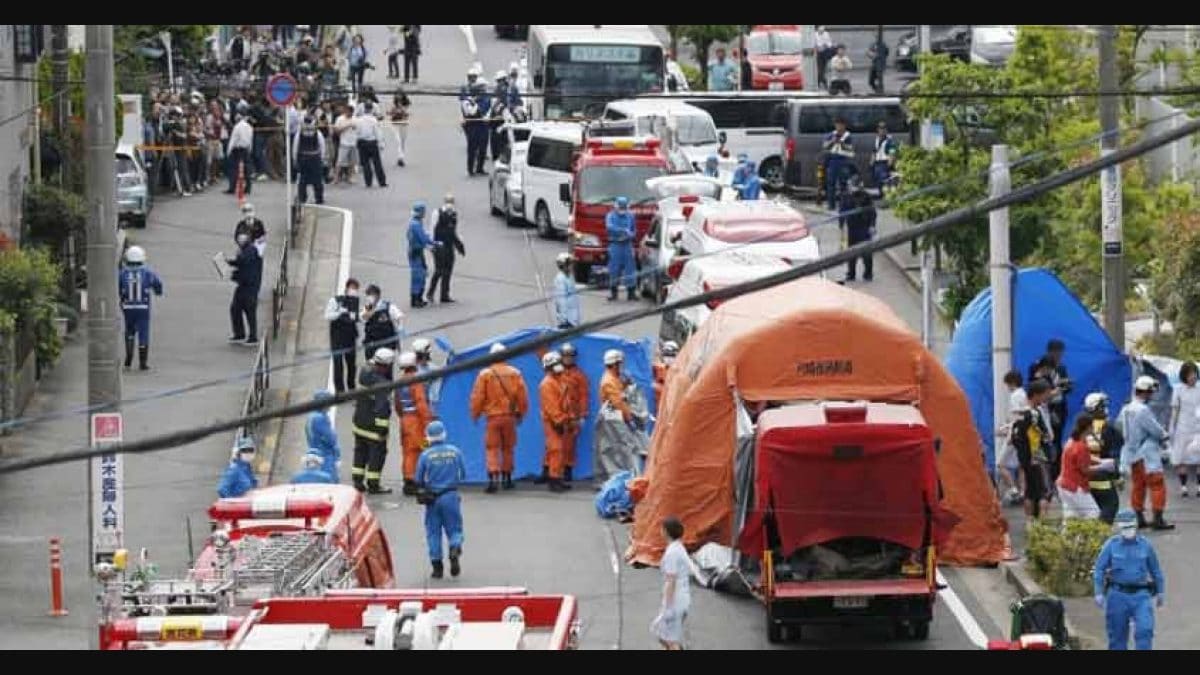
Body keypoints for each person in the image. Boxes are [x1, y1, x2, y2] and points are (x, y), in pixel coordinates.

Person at [1093, 509, 1166, 650]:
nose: (1128, 530)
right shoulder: (1111, 545)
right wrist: (1099, 592)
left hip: (1141, 595)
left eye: (1131, 526)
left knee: (1145, 630)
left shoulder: (1146, 545)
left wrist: (1161, 591)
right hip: (1117, 595)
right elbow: (1099, 569)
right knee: (1117, 637)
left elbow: (1155, 570)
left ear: (1136, 525)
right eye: (1125, 527)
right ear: (1119, 527)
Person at [469, 343, 529, 493]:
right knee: (508, 448)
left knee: (492, 448)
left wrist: (475, 414)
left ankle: (493, 479)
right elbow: (523, 397)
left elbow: (478, 397)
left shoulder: (485, 374)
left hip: (492, 418)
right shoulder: (515, 373)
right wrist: (521, 413)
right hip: (509, 417)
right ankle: (507, 478)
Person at [1118, 376, 1175, 530]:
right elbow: (1155, 429)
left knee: (1139, 486)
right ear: (1145, 392)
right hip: (1147, 454)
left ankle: (1139, 518)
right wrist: (1164, 435)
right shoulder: (1143, 410)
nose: (1151, 395)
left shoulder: (1126, 409)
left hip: (1132, 454)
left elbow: (1120, 428)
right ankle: (1158, 519)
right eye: (1150, 392)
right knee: (1157, 485)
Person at [414, 420, 466, 579]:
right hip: (451, 496)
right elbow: (463, 474)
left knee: (433, 532)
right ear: (444, 434)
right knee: (455, 528)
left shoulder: (425, 455)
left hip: (433, 499)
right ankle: (454, 548)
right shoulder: (455, 452)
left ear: (428, 437)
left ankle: (437, 566)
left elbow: (418, 479)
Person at [351, 347, 395, 494]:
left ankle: (357, 481)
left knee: (360, 452)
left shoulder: (364, 373)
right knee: (377, 454)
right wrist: (383, 429)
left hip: (359, 422)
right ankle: (373, 483)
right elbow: (382, 409)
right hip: (373, 428)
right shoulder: (382, 384)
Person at [1011, 378, 1054, 520]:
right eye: (1046, 393)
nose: (1048, 396)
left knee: (1030, 492)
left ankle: (1030, 524)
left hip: (1025, 460)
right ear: (1036, 394)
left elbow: (1015, 437)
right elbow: (1044, 436)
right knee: (1045, 492)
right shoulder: (1034, 414)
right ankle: (1041, 527)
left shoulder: (1021, 414)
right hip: (1038, 458)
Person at [118, 246, 164, 371]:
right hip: (143, 307)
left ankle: (128, 359)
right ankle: (143, 362)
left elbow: (118, 288)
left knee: (129, 330)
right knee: (143, 332)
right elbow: (158, 284)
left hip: (127, 306)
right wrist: (158, 291)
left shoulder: (122, 273)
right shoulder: (147, 272)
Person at [395, 350, 434, 496]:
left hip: (405, 420)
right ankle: (415, 480)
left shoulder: (399, 382)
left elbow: (397, 404)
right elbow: (421, 403)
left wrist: (403, 417)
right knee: (419, 449)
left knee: (407, 451)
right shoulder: (416, 382)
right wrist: (428, 422)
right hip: (416, 421)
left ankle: (407, 479)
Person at [1058, 414, 1110, 519]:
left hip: (1063, 484)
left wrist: (1100, 462)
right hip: (1075, 486)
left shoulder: (1072, 441)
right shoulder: (1081, 446)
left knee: (1071, 516)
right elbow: (1085, 470)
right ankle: (1086, 535)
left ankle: (1072, 535)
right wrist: (1103, 468)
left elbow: (1083, 459)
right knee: (1093, 513)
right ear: (1088, 427)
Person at [651, 516, 692, 650]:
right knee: (665, 636)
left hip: (675, 600)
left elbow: (671, 581)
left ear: (666, 531)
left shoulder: (672, 553)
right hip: (682, 598)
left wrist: (668, 607)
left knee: (669, 639)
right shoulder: (679, 548)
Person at [1086, 392, 1123, 524]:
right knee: (1111, 505)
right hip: (1103, 476)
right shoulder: (1109, 428)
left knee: (1094, 510)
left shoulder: (1083, 426)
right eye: (1103, 406)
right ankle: (1100, 536)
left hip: (1086, 475)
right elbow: (1113, 455)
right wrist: (1117, 477)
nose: (1106, 409)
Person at [537, 351, 572, 493]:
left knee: (556, 450)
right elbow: (551, 406)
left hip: (559, 420)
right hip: (553, 422)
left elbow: (565, 401)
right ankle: (554, 480)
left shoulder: (559, 380)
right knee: (556, 450)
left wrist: (568, 417)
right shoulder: (547, 384)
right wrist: (560, 421)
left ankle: (556, 477)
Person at [1168, 361, 1200, 496]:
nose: (1192, 377)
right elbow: (1175, 410)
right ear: (1184, 376)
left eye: (1194, 375)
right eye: (1190, 375)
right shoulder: (1178, 389)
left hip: (1198, 427)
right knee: (1182, 458)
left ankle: (1199, 487)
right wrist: (1171, 428)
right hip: (1182, 427)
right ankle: (1183, 487)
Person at [324, 277, 361, 393]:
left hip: (350, 337)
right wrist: (339, 312)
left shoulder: (355, 301)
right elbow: (327, 316)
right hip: (337, 338)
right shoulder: (335, 301)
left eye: (356, 289)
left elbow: (357, 318)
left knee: (351, 365)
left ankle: (351, 387)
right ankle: (340, 391)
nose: (354, 291)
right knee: (338, 365)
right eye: (352, 288)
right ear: (346, 288)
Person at [225, 233, 262, 346]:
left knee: (249, 311)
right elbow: (241, 263)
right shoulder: (247, 250)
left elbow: (246, 270)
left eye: (240, 241)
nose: (238, 243)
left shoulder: (248, 253)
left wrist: (233, 275)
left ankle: (252, 337)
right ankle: (240, 334)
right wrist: (229, 262)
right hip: (244, 287)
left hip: (249, 288)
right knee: (235, 309)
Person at [428, 194, 466, 304]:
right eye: (448, 201)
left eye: (451, 201)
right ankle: (430, 293)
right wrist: (431, 245)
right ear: (444, 202)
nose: (450, 204)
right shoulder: (437, 213)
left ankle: (445, 294)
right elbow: (432, 228)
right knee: (439, 270)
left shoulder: (454, 214)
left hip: (449, 246)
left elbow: (454, 231)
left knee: (448, 270)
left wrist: (459, 246)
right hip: (439, 245)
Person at [996, 370, 1027, 505]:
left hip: (1015, 434)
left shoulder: (1015, 396)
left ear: (1012, 382)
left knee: (1000, 464)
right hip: (1023, 434)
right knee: (1021, 466)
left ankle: (1013, 489)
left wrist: (1008, 431)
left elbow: (1017, 417)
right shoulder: (1024, 394)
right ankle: (1023, 492)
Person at [560, 343, 588, 483]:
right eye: (565, 356)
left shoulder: (579, 375)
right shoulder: (556, 373)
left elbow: (583, 396)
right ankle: (549, 472)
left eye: (570, 356)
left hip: (572, 415)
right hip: (557, 414)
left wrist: (582, 415)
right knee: (551, 445)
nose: (568, 359)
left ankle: (567, 470)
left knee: (569, 445)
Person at [841, 178, 876, 283]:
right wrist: (841, 226)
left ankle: (868, 274)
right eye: (849, 186)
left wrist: (872, 226)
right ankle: (851, 273)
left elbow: (872, 212)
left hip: (864, 227)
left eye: (852, 186)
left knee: (866, 253)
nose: (850, 188)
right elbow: (842, 211)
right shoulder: (846, 196)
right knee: (851, 253)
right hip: (852, 227)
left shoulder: (866, 196)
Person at [305, 389, 341, 481]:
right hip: (325, 454)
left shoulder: (311, 416)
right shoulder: (320, 418)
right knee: (329, 480)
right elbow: (330, 438)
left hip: (314, 451)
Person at [606, 196, 637, 302]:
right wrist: (622, 230)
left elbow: (634, 230)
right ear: (616, 206)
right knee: (614, 269)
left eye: (624, 208)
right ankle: (614, 293)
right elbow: (609, 227)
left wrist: (631, 235)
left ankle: (631, 293)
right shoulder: (610, 216)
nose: (622, 211)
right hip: (615, 245)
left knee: (630, 269)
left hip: (627, 245)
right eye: (621, 208)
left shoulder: (631, 216)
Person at [407, 202, 439, 308]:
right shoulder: (415, 225)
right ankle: (416, 299)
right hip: (416, 252)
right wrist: (434, 243)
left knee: (421, 273)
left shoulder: (414, 222)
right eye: (423, 211)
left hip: (415, 251)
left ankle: (418, 298)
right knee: (418, 276)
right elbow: (423, 238)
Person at [360, 284, 403, 360]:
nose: (369, 297)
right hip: (372, 343)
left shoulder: (388, 306)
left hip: (386, 342)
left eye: (371, 295)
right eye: (368, 295)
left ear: (378, 295)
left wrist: (400, 328)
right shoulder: (367, 307)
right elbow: (363, 318)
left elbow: (399, 316)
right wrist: (371, 310)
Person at [823, 117, 855, 211]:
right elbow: (824, 146)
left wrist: (842, 143)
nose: (839, 126)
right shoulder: (831, 135)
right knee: (831, 184)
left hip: (843, 161)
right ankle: (831, 204)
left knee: (843, 184)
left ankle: (843, 204)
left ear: (844, 125)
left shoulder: (848, 136)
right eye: (837, 124)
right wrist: (832, 141)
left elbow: (851, 149)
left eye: (841, 124)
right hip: (832, 161)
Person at [462, 75, 491, 176]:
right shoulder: (467, 101)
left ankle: (480, 168)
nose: (483, 91)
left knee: (483, 148)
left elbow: (488, 111)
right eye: (481, 88)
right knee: (472, 149)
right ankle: (470, 169)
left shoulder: (487, 99)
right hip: (472, 127)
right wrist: (476, 103)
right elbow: (471, 112)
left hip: (483, 126)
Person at [294, 114, 326, 205]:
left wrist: (295, 159)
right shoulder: (317, 133)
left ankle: (302, 198)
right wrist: (322, 158)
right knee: (317, 180)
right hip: (315, 158)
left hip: (303, 158)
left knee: (303, 180)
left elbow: (295, 148)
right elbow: (322, 146)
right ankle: (318, 198)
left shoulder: (299, 133)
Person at [354, 101, 387, 188]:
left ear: (364, 108)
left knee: (365, 164)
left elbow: (356, 132)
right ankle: (382, 182)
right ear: (371, 109)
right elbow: (377, 132)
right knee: (377, 163)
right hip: (372, 142)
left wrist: (356, 142)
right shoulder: (373, 120)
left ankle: (368, 182)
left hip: (362, 143)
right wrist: (381, 143)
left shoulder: (359, 120)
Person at [224, 113, 254, 196]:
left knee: (233, 169)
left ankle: (232, 188)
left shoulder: (237, 127)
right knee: (247, 169)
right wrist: (250, 150)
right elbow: (251, 140)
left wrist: (228, 151)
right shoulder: (249, 127)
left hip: (237, 150)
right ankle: (248, 188)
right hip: (246, 149)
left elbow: (233, 140)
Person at [553, 253, 582, 329]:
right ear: (564, 266)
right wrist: (563, 319)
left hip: (573, 316)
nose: (572, 266)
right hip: (566, 319)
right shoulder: (560, 279)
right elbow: (561, 300)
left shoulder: (570, 276)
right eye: (570, 264)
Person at [333, 104, 358, 185]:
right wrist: (347, 126)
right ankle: (336, 178)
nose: (349, 114)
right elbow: (337, 131)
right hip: (344, 143)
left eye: (351, 113)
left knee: (352, 161)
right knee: (339, 161)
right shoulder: (340, 119)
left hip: (353, 143)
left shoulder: (355, 119)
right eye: (348, 112)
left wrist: (355, 128)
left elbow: (358, 130)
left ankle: (350, 177)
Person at [652, 341, 678, 415]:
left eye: (671, 355)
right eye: (666, 354)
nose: (668, 358)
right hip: (655, 410)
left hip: (667, 413)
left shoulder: (678, 373)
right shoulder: (658, 369)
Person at [872, 122, 899, 195]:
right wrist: (871, 163)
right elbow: (874, 151)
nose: (882, 130)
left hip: (884, 163)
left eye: (884, 129)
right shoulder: (876, 140)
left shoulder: (890, 141)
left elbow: (892, 153)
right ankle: (881, 195)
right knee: (878, 182)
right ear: (878, 129)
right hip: (877, 164)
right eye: (880, 128)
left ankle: (885, 198)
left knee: (885, 182)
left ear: (887, 130)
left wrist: (889, 165)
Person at [390, 88, 411, 167]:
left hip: (404, 123)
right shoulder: (394, 102)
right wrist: (392, 111)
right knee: (398, 140)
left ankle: (401, 158)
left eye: (400, 95)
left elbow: (405, 112)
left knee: (402, 141)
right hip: (395, 123)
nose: (398, 96)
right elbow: (391, 111)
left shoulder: (406, 103)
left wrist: (401, 107)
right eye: (397, 95)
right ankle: (400, 157)